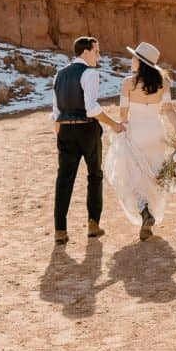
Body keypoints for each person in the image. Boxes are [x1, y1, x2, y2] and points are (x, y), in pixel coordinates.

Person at [104, 41, 176, 242]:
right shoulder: (162, 82)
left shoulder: (128, 83)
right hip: (156, 131)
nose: (131, 60)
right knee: (154, 171)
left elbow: (123, 113)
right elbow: (168, 109)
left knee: (134, 173)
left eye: (134, 57)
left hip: (137, 130)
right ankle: (149, 211)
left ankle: (144, 210)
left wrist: (122, 127)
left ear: (140, 62)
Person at [51, 36, 124, 245]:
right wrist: (114, 125)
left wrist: (61, 134)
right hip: (86, 130)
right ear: (85, 52)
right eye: (96, 51)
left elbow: (55, 111)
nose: (99, 56)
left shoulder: (59, 75)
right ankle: (93, 224)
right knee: (95, 175)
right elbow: (91, 108)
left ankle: (60, 231)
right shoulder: (90, 73)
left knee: (63, 180)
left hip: (65, 130)